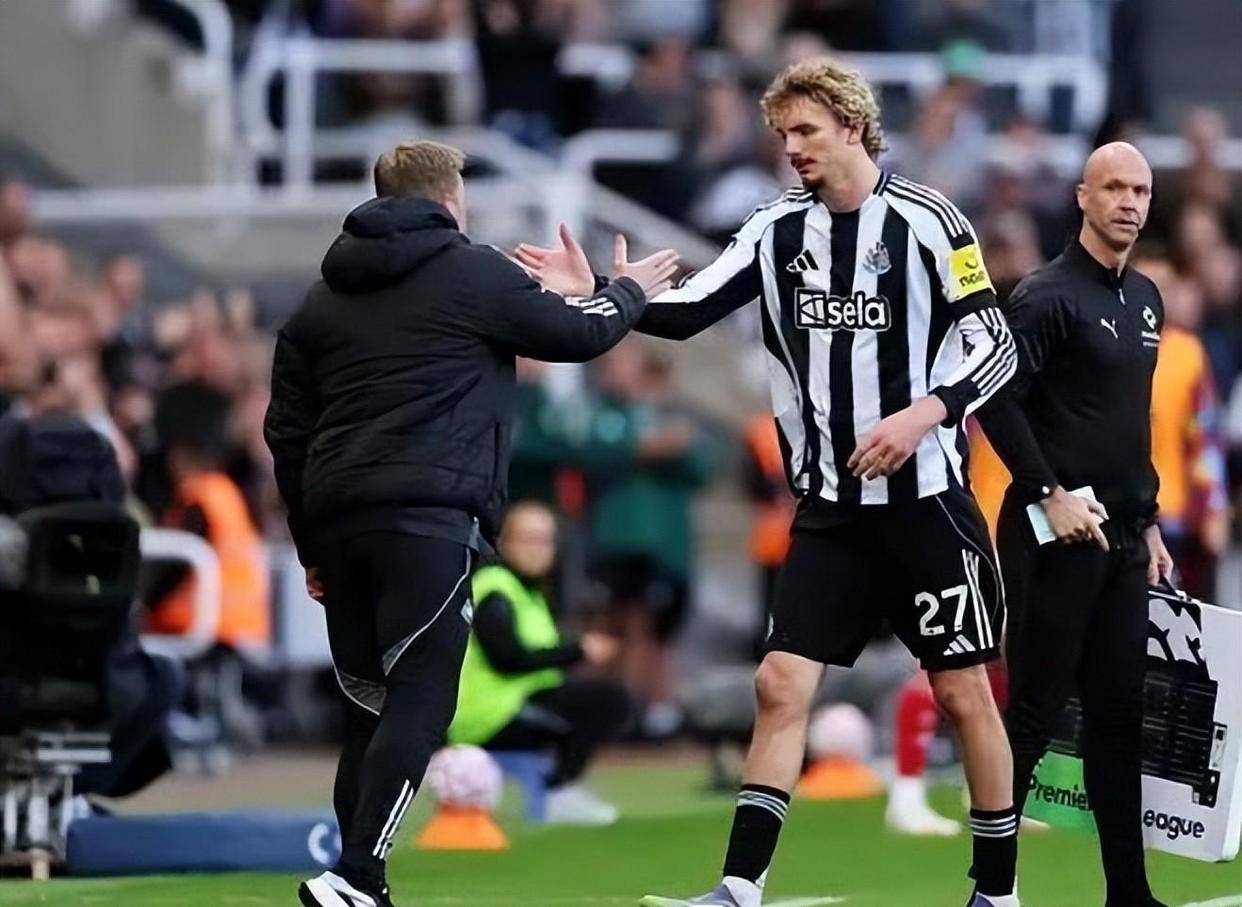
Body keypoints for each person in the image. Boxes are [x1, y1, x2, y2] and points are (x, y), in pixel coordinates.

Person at [520, 57, 1020, 907]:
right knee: (779, 683)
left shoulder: (932, 222)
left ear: (853, 127)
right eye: (784, 133)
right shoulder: (774, 229)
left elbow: (995, 344)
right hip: (831, 509)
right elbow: (690, 308)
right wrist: (600, 293)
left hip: (927, 501)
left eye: (806, 131)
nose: (792, 148)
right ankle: (739, 886)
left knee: (962, 689)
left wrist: (922, 414)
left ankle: (997, 893)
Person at [264, 140, 677, 907]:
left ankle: (357, 881)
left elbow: (286, 433)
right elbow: (578, 336)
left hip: (341, 525)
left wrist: (311, 543)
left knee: (371, 708)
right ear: (451, 200)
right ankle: (356, 878)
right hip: (429, 517)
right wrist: (624, 291)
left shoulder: (319, 302)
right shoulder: (471, 271)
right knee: (421, 699)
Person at [977, 142, 1171, 907]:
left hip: (1122, 539)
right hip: (1052, 530)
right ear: (1083, 197)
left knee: (1119, 715)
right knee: (1033, 710)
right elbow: (995, 400)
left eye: (1141, 190)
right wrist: (1048, 492)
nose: (1129, 202)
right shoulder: (1043, 295)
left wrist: (1149, 521)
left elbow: (1127, 424)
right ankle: (991, 892)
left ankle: (1130, 893)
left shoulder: (1146, 297)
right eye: (1114, 187)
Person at [447, 500, 630, 825]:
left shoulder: (528, 591)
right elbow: (508, 658)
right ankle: (559, 790)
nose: (539, 550)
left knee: (597, 700)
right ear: (505, 543)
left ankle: (561, 787)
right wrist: (578, 650)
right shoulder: (495, 588)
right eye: (529, 539)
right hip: (488, 714)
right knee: (605, 702)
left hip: (516, 702)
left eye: (546, 541)